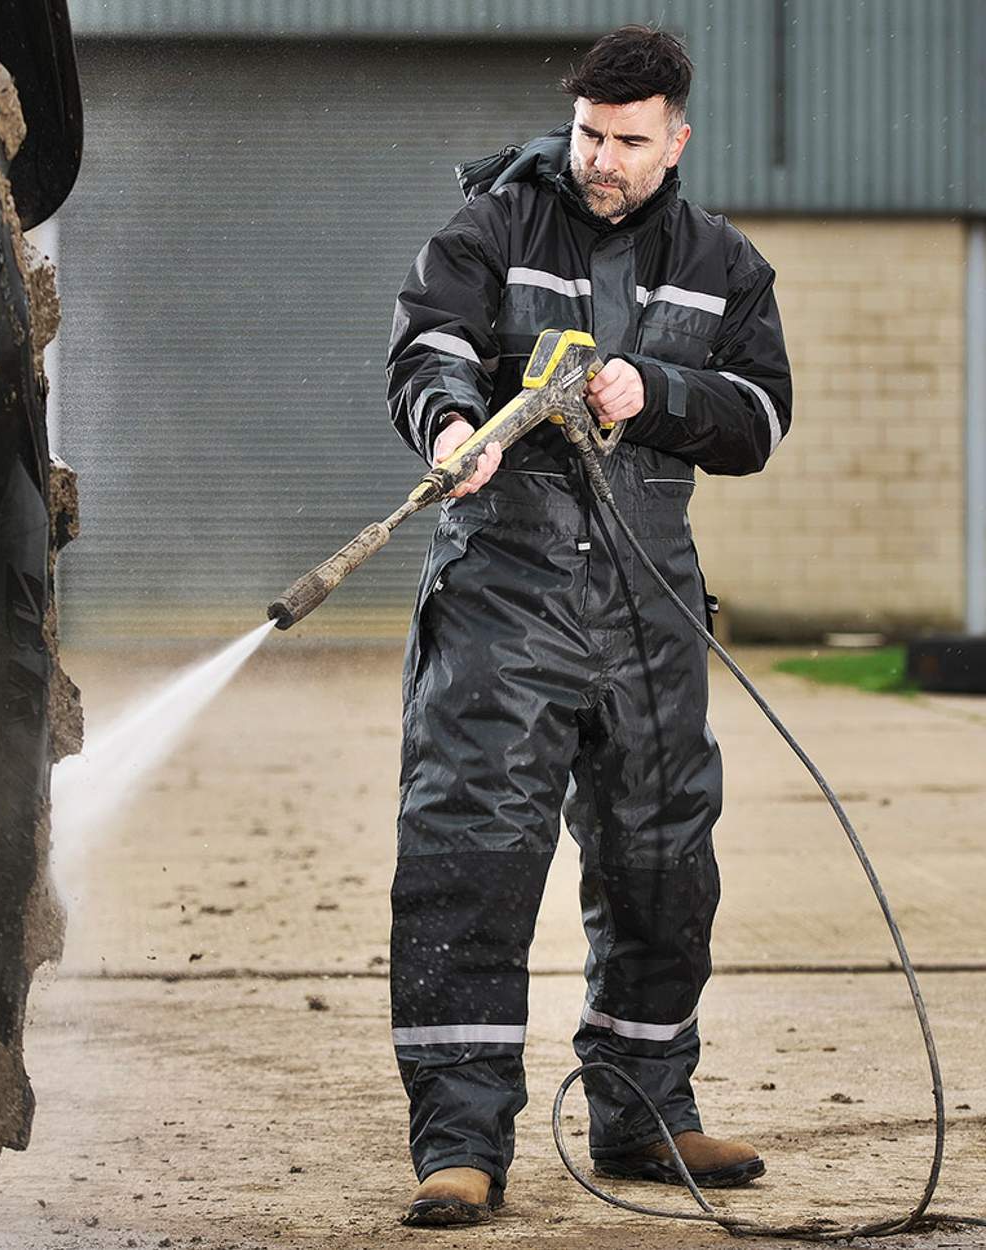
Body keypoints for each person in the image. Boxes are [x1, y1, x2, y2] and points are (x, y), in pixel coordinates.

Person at [386, 25, 792, 1228]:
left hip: (650, 600)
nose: (601, 159)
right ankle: (460, 1140)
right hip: (503, 599)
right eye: (586, 135)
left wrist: (653, 391)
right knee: (472, 853)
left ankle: (643, 1109)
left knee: (663, 856)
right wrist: (453, 428)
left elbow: (762, 415)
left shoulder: (725, 264)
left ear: (676, 138)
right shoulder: (490, 230)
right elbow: (428, 346)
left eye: (627, 139)